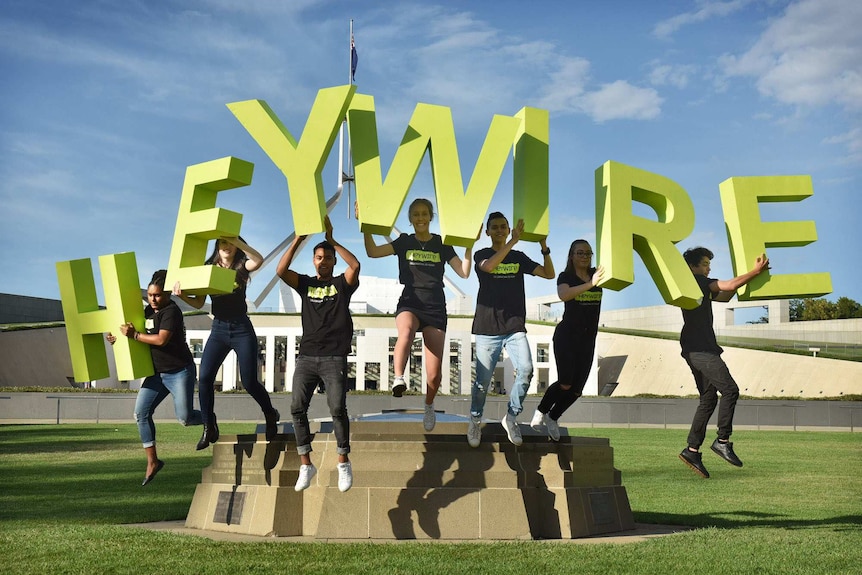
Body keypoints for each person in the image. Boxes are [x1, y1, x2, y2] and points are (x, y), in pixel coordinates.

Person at [363, 198, 472, 431]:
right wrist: (366, 227)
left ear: (431, 217)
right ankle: (399, 378)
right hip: (410, 301)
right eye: (416, 214)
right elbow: (372, 252)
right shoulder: (404, 241)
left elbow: (463, 272)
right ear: (410, 219)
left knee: (434, 377)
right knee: (406, 332)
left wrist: (470, 246)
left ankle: (429, 404)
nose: (420, 218)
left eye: (424, 214)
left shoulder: (442, 244)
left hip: (435, 307)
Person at [276, 216, 360, 492]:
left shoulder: (341, 284)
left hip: (334, 356)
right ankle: (306, 464)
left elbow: (355, 265)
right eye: (319, 257)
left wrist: (332, 238)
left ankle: (343, 462)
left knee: (337, 409)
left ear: (334, 261)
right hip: (307, 357)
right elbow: (280, 270)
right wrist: (299, 239)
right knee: (296, 409)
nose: (323, 261)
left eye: (327, 258)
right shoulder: (305, 284)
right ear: (313, 260)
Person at [173, 236, 280, 450]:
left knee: (249, 381)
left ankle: (270, 413)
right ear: (216, 246)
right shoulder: (208, 268)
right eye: (222, 242)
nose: (227, 246)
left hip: (241, 328)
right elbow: (199, 301)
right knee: (204, 377)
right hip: (219, 329)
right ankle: (208, 425)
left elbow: (258, 259)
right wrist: (182, 295)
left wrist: (237, 241)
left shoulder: (242, 266)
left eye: (230, 242)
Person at [678, 247, 770, 478]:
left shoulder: (695, 287)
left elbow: (726, 294)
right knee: (730, 390)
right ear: (693, 267)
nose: (709, 268)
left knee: (708, 400)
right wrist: (755, 272)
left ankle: (692, 450)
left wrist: (744, 282)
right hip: (702, 350)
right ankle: (722, 441)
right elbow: (727, 286)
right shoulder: (698, 281)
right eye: (705, 263)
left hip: (694, 349)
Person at [107, 269, 203, 486]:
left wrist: (135, 336)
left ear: (167, 294)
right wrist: (116, 338)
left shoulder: (171, 312)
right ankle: (153, 462)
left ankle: (209, 419)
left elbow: (160, 340)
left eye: (157, 295)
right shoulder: (148, 310)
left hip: (179, 371)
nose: (153, 299)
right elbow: (133, 333)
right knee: (140, 413)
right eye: (150, 295)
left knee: (185, 418)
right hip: (157, 374)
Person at [467, 213, 555, 447]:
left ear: (507, 229)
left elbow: (549, 274)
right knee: (482, 383)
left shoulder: (518, 257)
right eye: (494, 227)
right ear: (487, 232)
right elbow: (489, 267)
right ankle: (475, 419)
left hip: (514, 326)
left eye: (503, 227)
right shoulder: (482, 254)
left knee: (526, 370)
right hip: (487, 328)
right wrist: (513, 241)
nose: (499, 230)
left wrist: (544, 246)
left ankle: (511, 417)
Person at [530, 240, 605, 441]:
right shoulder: (567, 277)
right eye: (580, 252)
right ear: (571, 255)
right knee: (565, 383)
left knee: (577, 390)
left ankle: (553, 417)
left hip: (588, 340)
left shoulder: (597, 274)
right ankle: (541, 410)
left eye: (588, 253)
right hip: (567, 337)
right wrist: (590, 284)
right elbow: (563, 295)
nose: (585, 256)